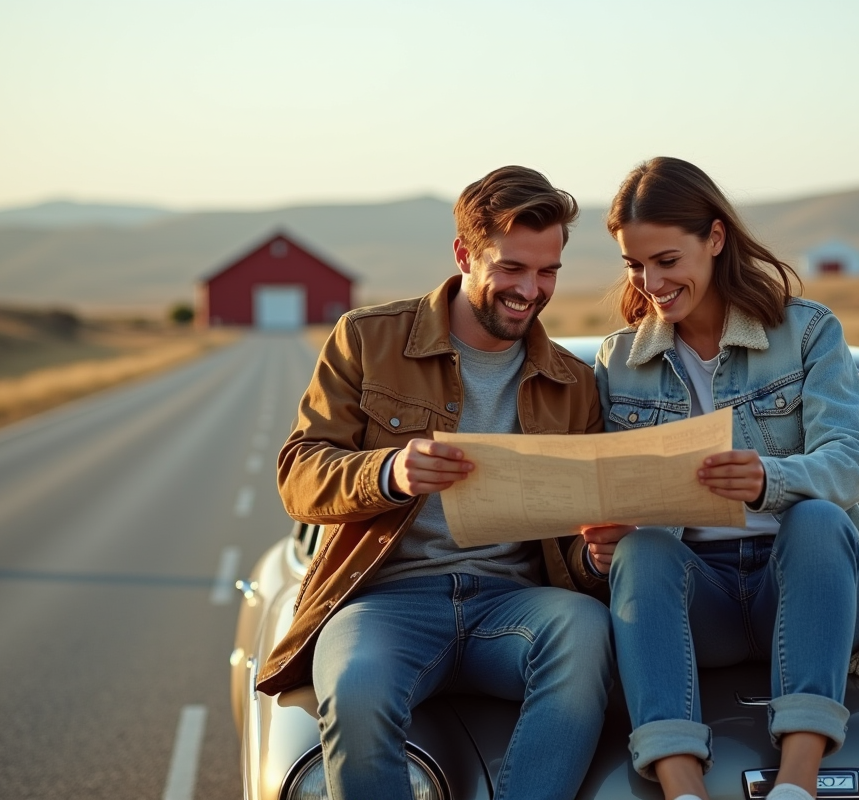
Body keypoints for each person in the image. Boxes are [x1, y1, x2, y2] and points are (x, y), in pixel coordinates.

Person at [582, 157, 859, 800]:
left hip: (814, 583)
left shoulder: (806, 331)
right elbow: (624, 487)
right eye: (636, 265)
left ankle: (797, 784)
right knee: (640, 551)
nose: (651, 281)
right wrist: (612, 534)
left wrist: (767, 478)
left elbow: (854, 461)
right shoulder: (620, 359)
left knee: (817, 516)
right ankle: (681, 784)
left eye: (667, 260)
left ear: (715, 239)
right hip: (705, 598)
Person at [256, 165, 613, 800]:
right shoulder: (367, 339)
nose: (531, 291)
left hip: (513, 605)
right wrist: (389, 471)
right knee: (357, 686)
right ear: (463, 255)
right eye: (511, 268)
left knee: (586, 631)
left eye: (548, 272)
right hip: (382, 601)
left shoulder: (572, 383)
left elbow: (574, 543)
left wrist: (594, 552)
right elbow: (299, 475)